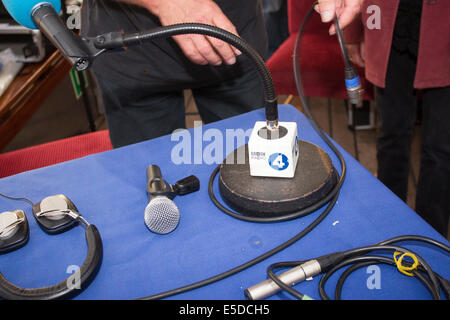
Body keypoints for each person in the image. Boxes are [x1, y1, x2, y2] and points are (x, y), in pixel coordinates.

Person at [316, 0, 450, 237]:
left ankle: (432, 238)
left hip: (444, 30)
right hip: (388, 26)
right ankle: (388, 225)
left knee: (440, 148)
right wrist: (355, 34)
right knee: (392, 136)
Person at [80, 0, 268, 148]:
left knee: (249, 164)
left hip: (230, 44)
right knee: (150, 177)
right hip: (131, 54)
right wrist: (167, 3)